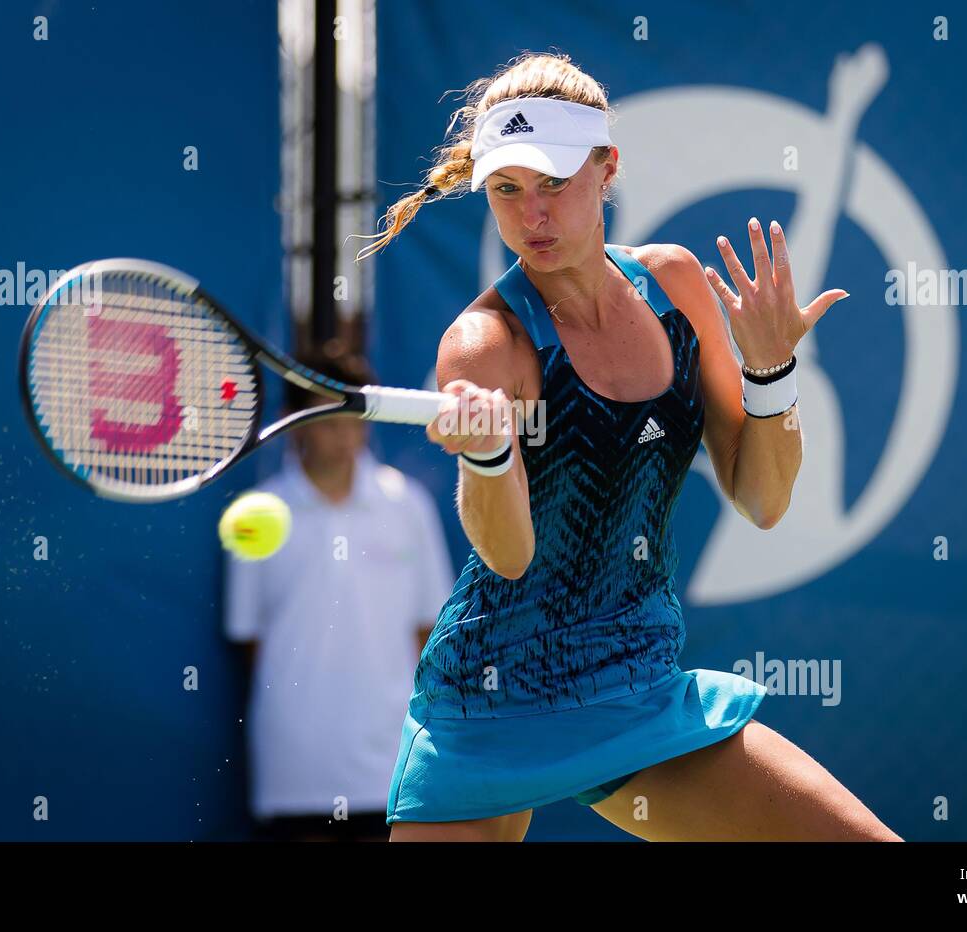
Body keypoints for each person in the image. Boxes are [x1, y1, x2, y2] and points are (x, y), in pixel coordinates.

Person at [354, 51, 902, 842]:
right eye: (507, 190)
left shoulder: (676, 286)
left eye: (554, 184)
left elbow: (763, 499)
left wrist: (771, 374)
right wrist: (488, 456)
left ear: (607, 168)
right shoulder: (485, 345)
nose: (531, 216)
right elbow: (508, 555)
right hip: (493, 699)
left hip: (637, 685)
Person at [223, 349, 455, 842]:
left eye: (354, 416)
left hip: (390, 770)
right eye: (329, 417)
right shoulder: (257, 514)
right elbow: (249, 641)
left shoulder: (407, 505)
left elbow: (427, 633)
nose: (345, 432)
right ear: (298, 422)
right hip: (293, 772)